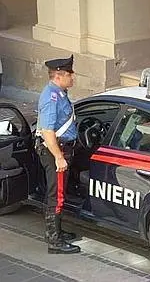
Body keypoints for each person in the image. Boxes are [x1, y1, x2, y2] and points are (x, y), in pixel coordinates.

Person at [36, 55, 80, 254]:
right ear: (59, 75)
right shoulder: (51, 97)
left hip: (61, 148)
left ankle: (56, 231)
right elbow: (47, 130)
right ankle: (54, 240)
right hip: (56, 150)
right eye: (70, 74)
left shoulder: (59, 92)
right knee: (58, 195)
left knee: (57, 192)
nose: (73, 77)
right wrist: (58, 157)